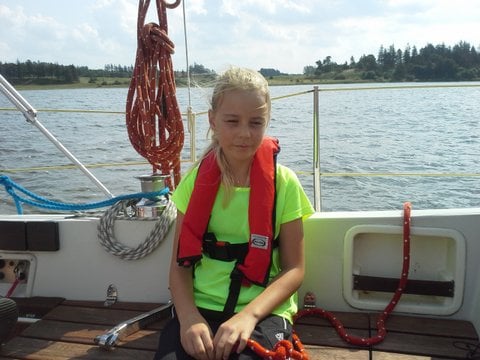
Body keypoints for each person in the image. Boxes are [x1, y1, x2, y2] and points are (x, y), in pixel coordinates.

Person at [155, 66, 314, 360]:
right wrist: (188, 317)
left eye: (256, 122)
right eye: (232, 121)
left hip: (262, 312)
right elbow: (179, 266)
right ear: (213, 120)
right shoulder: (194, 182)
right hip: (200, 309)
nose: (244, 133)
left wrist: (249, 316)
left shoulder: (285, 184)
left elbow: (295, 269)